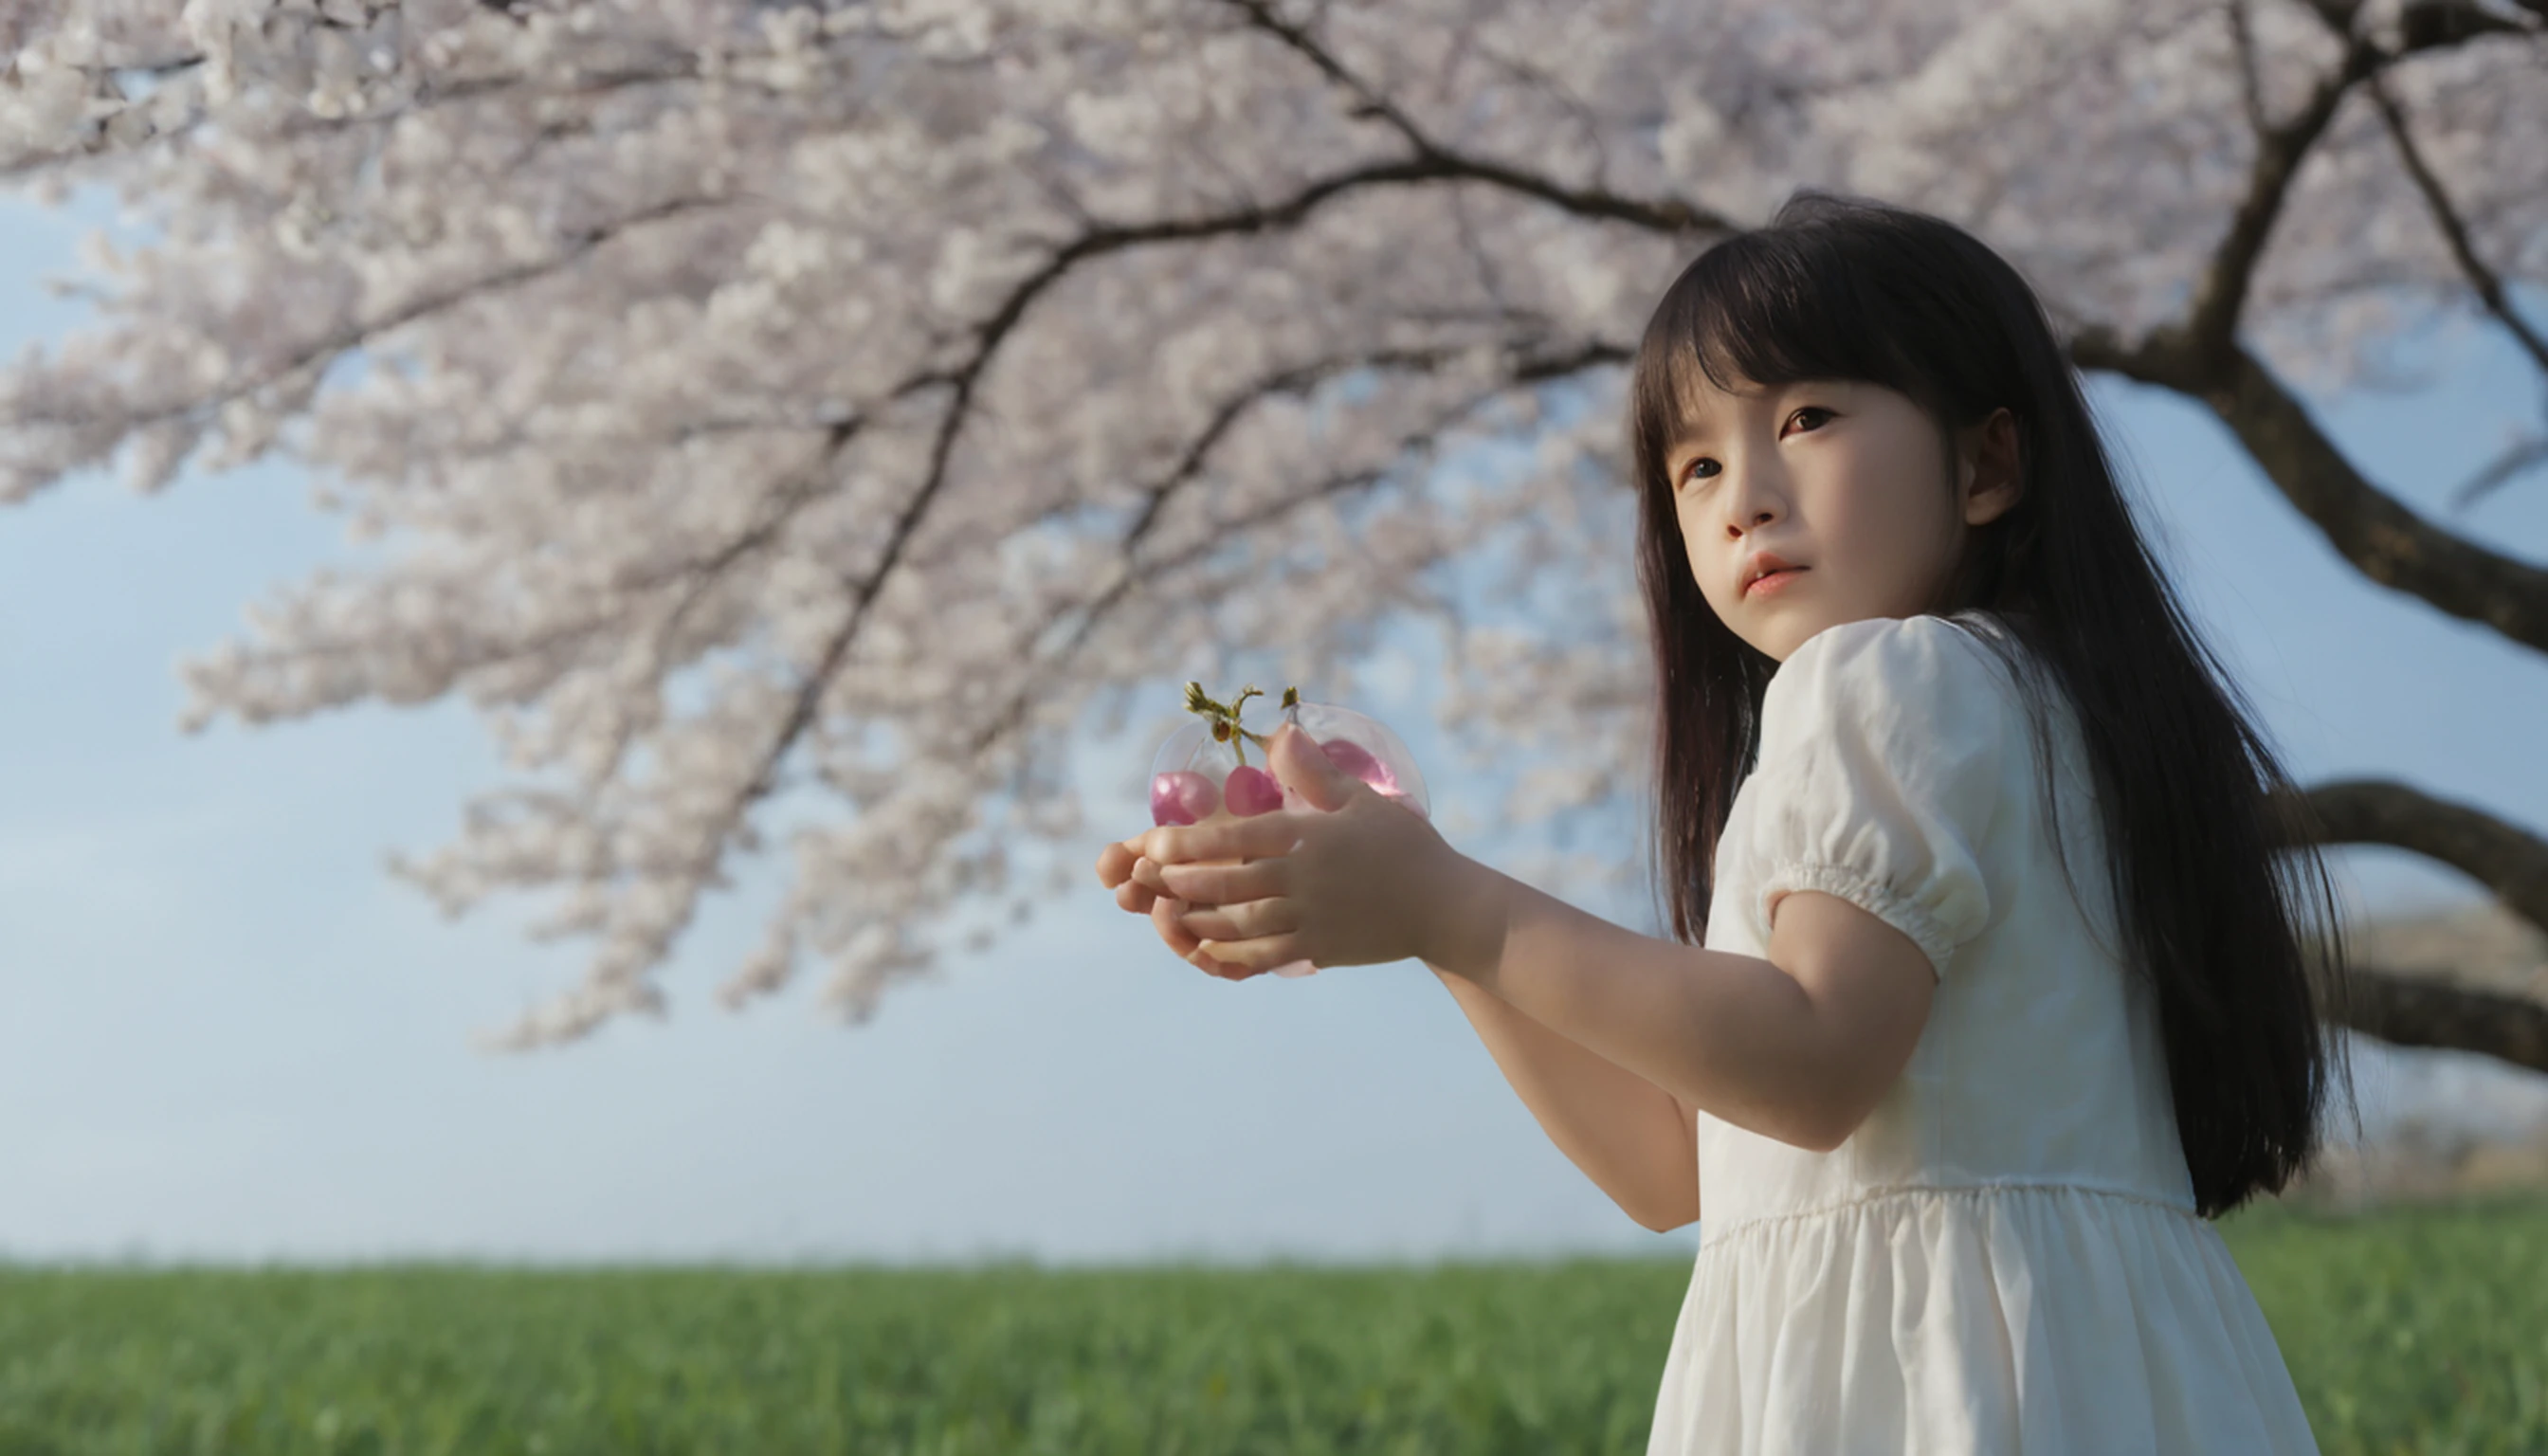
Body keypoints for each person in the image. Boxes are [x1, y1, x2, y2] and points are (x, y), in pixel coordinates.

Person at [1093, 190, 2359, 1453]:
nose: (1743, 495)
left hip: (1941, 1387)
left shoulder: (1895, 683)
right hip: (2099, 1369)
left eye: (1806, 417)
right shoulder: (2036, 711)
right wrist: (1432, 917)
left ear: (1987, 465)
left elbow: (1809, 1064)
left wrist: (1448, 903)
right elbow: (1672, 1170)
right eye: (1696, 463)